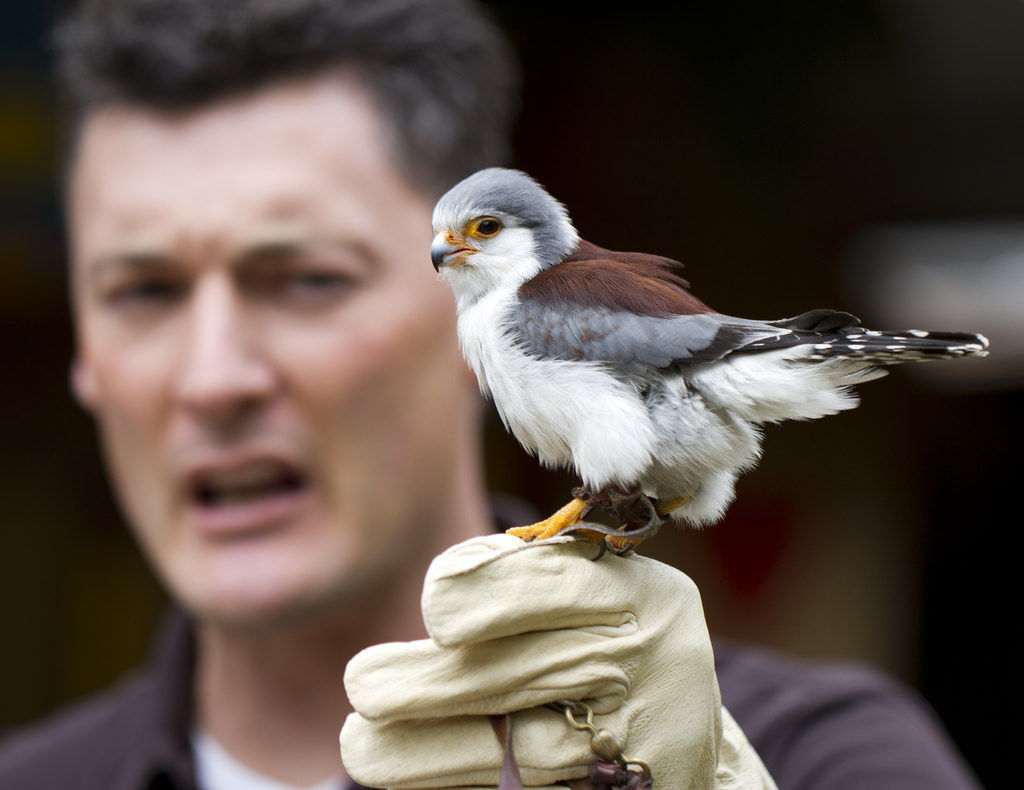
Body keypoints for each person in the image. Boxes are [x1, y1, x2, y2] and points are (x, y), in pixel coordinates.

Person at [0, 0, 980, 787]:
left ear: (451, 330)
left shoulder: (828, 757)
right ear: (83, 355)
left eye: (308, 279)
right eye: (143, 291)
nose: (215, 378)